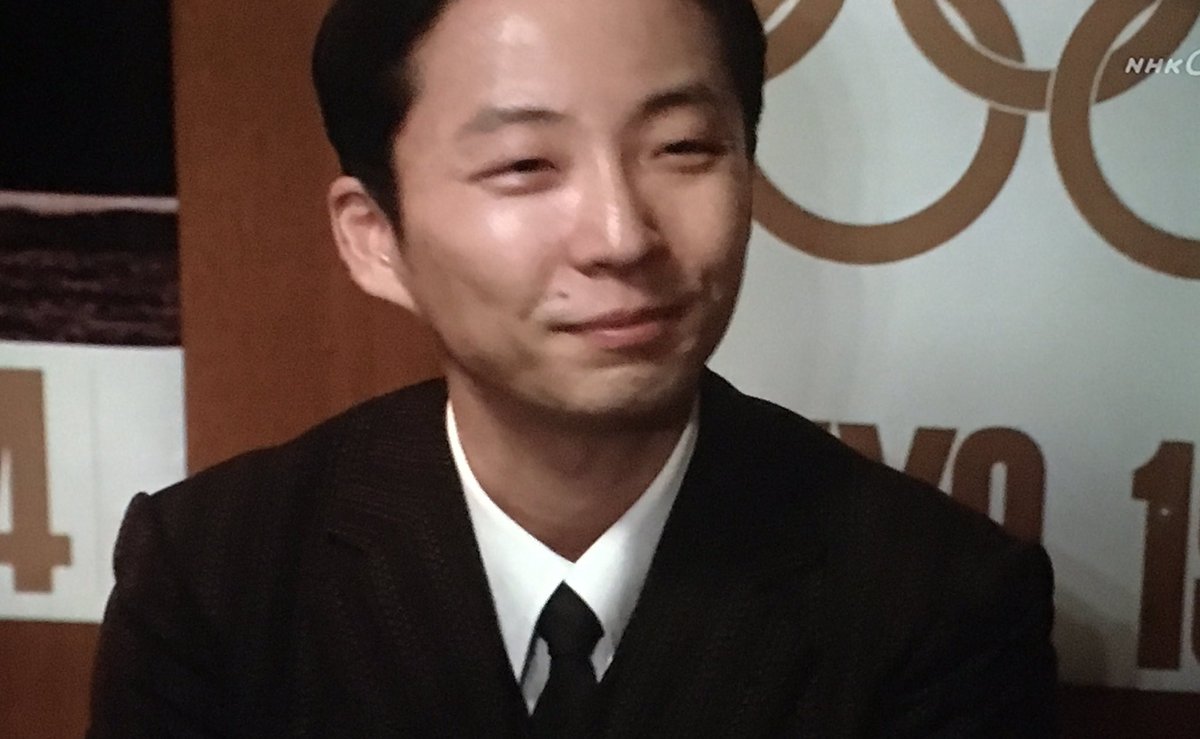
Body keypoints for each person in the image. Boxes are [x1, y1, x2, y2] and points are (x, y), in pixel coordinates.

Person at [88, 0, 1058, 735]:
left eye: (682, 147)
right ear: (375, 236)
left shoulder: (938, 600)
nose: (621, 236)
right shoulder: (215, 576)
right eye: (525, 165)